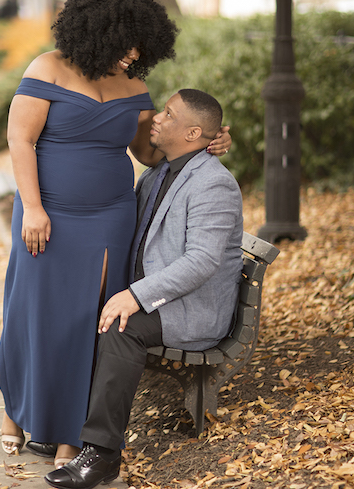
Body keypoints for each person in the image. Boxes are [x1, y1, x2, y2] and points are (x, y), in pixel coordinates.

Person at [0, 0, 233, 468]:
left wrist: (203, 142)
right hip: (47, 212)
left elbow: (148, 151)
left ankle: (67, 434)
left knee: (88, 320)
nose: (133, 55)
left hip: (109, 216)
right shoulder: (50, 68)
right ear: (100, 30)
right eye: (127, 44)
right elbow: (20, 140)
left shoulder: (135, 86)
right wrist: (34, 208)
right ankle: (16, 413)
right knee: (34, 312)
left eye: (141, 48)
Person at [44, 89, 244, 489]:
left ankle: (101, 455)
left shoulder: (212, 184)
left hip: (189, 309)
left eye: (167, 114)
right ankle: (63, 424)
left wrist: (134, 296)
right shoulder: (160, 171)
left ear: (192, 133)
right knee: (82, 309)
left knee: (121, 328)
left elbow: (202, 261)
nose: (156, 118)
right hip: (157, 296)